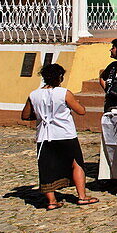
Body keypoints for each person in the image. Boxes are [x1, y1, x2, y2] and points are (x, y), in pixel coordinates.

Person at [20, 64, 96, 210]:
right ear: (60, 77)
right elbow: (81, 111)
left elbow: (25, 115)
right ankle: (82, 196)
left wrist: (40, 114)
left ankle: (52, 201)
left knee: (46, 167)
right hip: (65, 133)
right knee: (76, 163)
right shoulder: (64, 93)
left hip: (44, 135)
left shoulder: (34, 95)